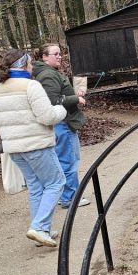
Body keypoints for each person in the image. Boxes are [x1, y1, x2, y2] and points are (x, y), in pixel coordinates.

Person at [0, 49, 67, 247]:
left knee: (35, 187)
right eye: (31, 63)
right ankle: (39, 227)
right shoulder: (31, 86)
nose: (33, 67)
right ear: (24, 65)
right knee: (56, 182)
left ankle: (42, 231)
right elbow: (47, 116)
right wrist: (61, 109)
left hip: (14, 148)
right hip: (36, 145)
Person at [33, 43, 90, 209]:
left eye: (60, 53)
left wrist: (74, 94)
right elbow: (53, 101)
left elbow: (59, 95)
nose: (60, 56)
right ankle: (70, 198)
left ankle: (65, 195)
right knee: (68, 160)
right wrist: (76, 99)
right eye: (55, 54)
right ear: (44, 57)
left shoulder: (49, 72)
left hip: (63, 122)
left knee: (65, 159)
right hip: (62, 123)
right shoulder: (47, 75)